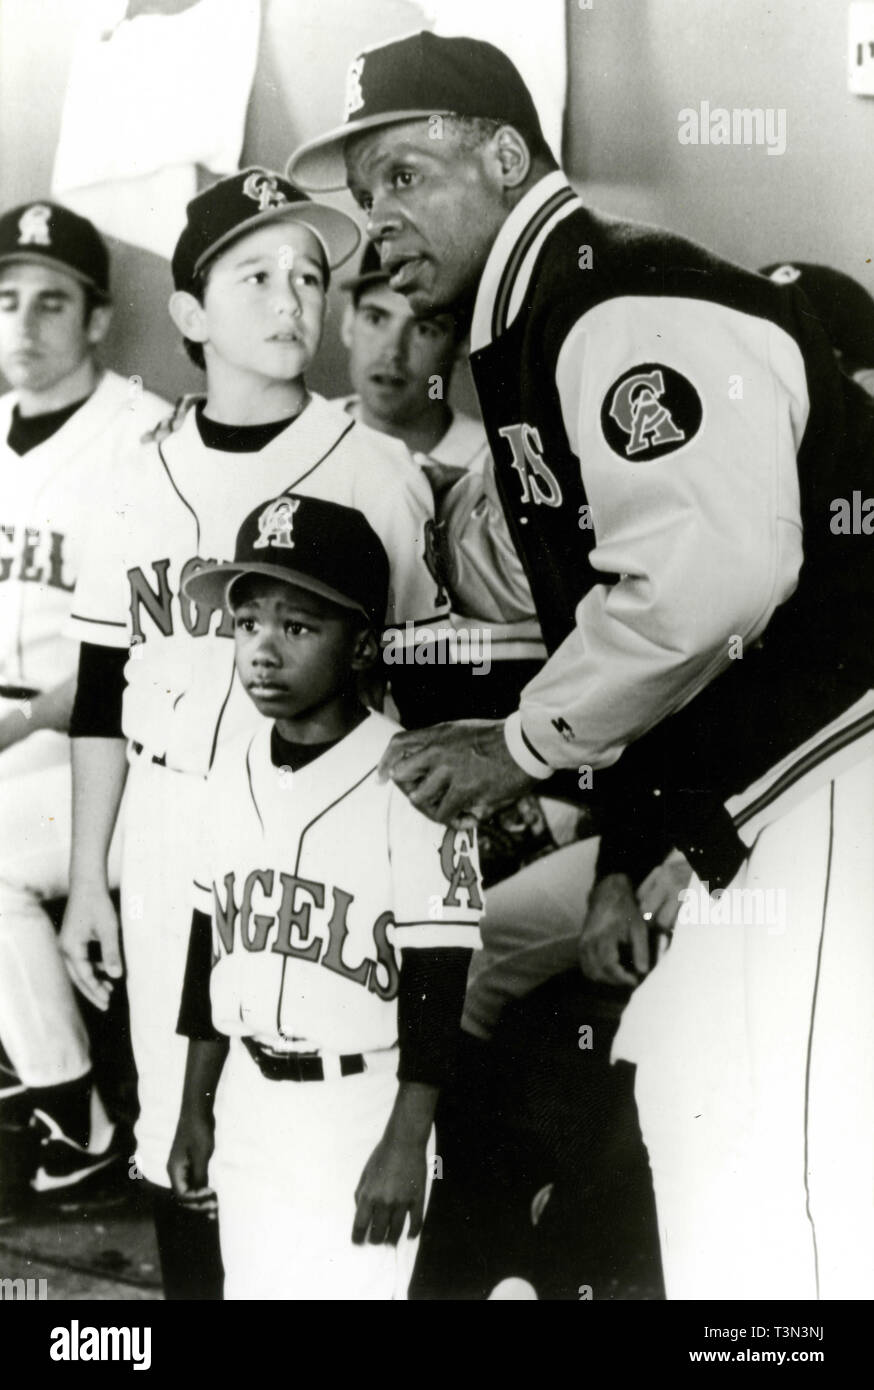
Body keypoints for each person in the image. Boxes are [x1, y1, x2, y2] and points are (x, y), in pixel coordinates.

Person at [289, 32, 874, 1298]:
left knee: (795, 1151)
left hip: (841, 762)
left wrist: (514, 746)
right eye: (363, 197)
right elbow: (677, 649)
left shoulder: (615, 302)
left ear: (507, 156)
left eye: (401, 176)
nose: (376, 229)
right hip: (773, 775)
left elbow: (711, 583)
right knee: (699, 1082)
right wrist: (625, 841)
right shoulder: (541, 314)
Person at [59, 168, 447, 1298]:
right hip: (175, 825)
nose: (293, 299)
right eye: (256, 273)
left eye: (312, 276)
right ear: (189, 313)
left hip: (324, 830)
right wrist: (89, 873)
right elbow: (98, 690)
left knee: (314, 1132)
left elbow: (414, 685)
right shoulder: (127, 475)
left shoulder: (376, 471)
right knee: (182, 1143)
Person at [167, 494, 482, 1299]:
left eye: (298, 628)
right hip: (248, 1101)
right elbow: (210, 945)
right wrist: (193, 1106)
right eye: (248, 625)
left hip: (362, 1108)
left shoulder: (414, 776)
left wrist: (408, 1140)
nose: (263, 652)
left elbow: (440, 973)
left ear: (363, 645)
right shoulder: (227, 765)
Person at [0, 200, 166, 1206]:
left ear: (99, 320)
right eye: (6, 300)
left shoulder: (142, 437)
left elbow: (144, 649)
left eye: (51, 303)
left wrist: (21, 723)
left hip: (92, 750)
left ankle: (75, 1111)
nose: (23, 326)